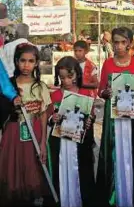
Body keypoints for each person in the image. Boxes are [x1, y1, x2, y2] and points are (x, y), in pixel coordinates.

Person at [96, 27, 134, 207]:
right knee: (113, 154)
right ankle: (112, 195)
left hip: (133, 119)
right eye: (116, 42)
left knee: (133, 154)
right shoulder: (108, 64)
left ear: (130, 43)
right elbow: (100, 90)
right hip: (113, 120)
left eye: (123, 42)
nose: (119, 46)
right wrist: (106, 92)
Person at [0, 44, 51, 206]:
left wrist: (43, 142)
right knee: (14, 166)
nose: (26, 65)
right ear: (16, 62)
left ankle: (34, 196)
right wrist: (11, 104)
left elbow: (43, 114)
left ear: (36, 63)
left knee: (33, 165)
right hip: (13, 132)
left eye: (31, 61)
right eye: (22, 60)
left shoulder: (40, 87)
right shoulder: (8, 86)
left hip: (34, 133)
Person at [49, 56, 96, 207]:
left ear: (77, 74)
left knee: (83, 174)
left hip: (80, 146)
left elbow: (91, 115)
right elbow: (49, 117)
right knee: (60, 173)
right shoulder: (54, 96)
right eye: (62, 78)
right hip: (61, 146)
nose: (67, 81)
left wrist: (90, 120)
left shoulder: (85, 94)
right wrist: (53, 117)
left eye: (70, 77)